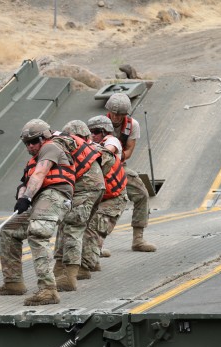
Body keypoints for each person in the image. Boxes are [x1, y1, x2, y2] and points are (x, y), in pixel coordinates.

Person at [0, 119, 74, 306]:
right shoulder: (33, 159)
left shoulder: (50, 147)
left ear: (44, 137)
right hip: (41, 200)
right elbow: (25, 183)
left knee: (38, 233)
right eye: (26, 143)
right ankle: (13, 283)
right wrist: (22, 196)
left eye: (34, 141)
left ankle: (48, 290)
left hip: (56, 195)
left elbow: (40, 174)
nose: (30, 146)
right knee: (9, 230)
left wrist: (27, 198)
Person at [52, 120, 105, 291]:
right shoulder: (90, 148)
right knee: (73, 226)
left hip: (85, 191)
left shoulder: (64, 146)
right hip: (96, 190)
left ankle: (69, 278)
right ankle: (63, 268)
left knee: (73, 228)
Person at [104, 92, 157, 253]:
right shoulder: (99, 125)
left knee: (142, 194)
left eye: (120, 114)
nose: (116, 117)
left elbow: (128, 151)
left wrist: (114, 154)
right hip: (99, 167)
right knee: (99, 201)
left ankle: (138, 240)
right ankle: (95, 244)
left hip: (119, 164)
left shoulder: (132, 125)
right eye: (114, 113)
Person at [78, 115, 128, 279]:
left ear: (105, 132)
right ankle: (93, 259)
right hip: (100, 196)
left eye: (96, 132)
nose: (93, 135)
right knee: (82, 224)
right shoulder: (90, 147)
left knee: (94, 227)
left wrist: (89, 146)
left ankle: (85, 267)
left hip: (114, 198)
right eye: (90, 132)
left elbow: (110, 148)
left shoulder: (110, 142)